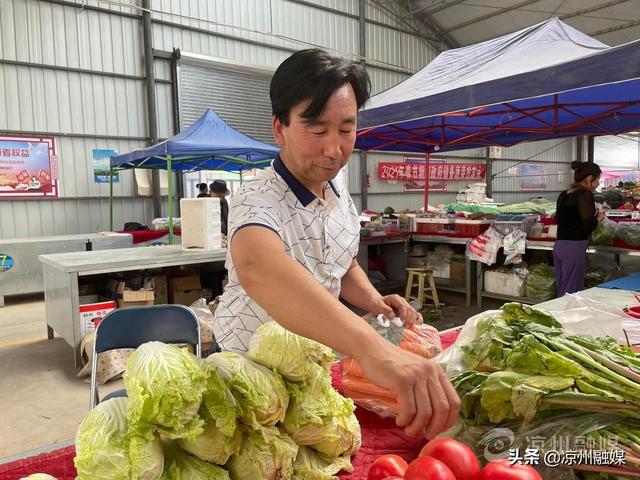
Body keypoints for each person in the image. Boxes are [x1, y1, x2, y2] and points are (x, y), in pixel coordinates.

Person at [212, 48, 459, 439]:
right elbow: (263, 271)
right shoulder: (255, 199)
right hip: (248, 370)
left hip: (311, 366)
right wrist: (374, 350)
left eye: (346, 130)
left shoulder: (337, 187)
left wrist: (376, 303)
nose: (334, 149)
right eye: (317, 130)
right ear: (280, 129)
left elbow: (341, 264)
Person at [553, 161, 603, 296]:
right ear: (589, 179)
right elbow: (587, 226)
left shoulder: (564, 194)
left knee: (562, 287)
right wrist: (598, 219)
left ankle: (559, 314)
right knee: (572, 291)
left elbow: (558, 218)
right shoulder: (584, 195)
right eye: (598, 179)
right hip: (574, 246)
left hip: (559, 245)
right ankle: (567, 316)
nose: (599, 183)